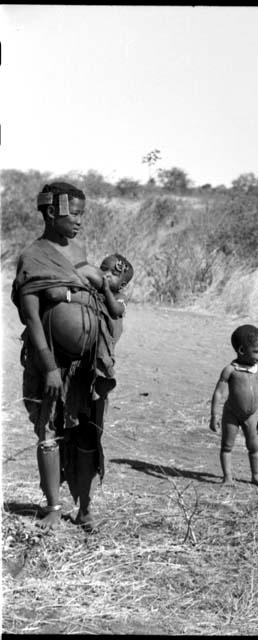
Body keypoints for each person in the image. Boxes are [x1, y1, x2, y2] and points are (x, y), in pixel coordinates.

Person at [11, 181, 126, 532]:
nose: (79, 221)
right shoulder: (34, 256)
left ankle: (86, 508)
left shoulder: (80, 251)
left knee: (87, 431)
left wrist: (89, 287)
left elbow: (102, 297)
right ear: (50, 212)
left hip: (87, 366)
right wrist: (48, 368)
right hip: (54, 363)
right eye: (73, 214)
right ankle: (53, 508)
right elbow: (31, 317)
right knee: (49, 428)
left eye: (82, 214)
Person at [209, 324, 258, 488]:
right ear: (242, 350)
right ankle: (227, 477)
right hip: (231, 414)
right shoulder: (230, 371)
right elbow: (219, 394)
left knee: (254, 446)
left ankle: (256, 476)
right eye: (257, 351)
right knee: (227, 446)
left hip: (251, 415)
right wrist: (214, 416)